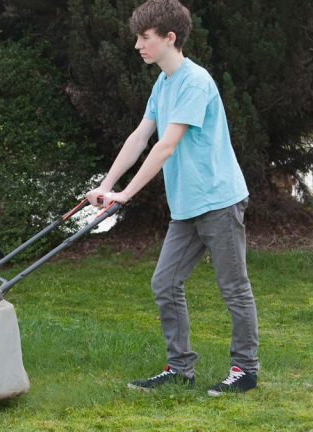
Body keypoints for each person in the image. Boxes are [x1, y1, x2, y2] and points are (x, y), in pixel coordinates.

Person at [86, 0, 259, 397]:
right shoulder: (162, 83)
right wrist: (106, 185)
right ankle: (180, 368)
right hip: (187, 206)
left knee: (233, 287)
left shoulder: (195, 82)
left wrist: (125, 195)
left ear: (170, 38)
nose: (137, 46)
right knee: (165, 283)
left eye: (144, 38)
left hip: (218, 200)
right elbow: (140, 138)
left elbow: (165, 146)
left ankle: (246, 370)